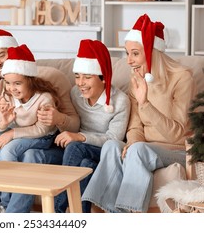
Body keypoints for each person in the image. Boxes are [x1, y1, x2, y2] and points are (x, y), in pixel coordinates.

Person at [0, 29, 81, 213]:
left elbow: (75, 124)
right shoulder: (0, 91)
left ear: (14, 50)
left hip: (45, 140)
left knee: (8, 155)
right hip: (11, 138)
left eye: (1, 55)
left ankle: (5, 210)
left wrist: (59, 118)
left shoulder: (51, 80)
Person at [82, 13, 195, 213]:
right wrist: (133, 141)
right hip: (144, 147)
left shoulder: (182, 78)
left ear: (152, 51)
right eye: (127, 53)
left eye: (135, 53)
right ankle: (100, 212)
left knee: (138, 150)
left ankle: (131, 215)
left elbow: (177, 134)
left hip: (175, 150)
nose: (129, 61)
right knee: (111, 146)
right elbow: (135, 125)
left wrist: (145, 103)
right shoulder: (136, 80)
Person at [53, 39, 130, 213]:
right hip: (83, 153)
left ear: (103, 78)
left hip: (106, 151)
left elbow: (113, 139)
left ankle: (56, 211)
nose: (80, 83)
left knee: (74, 148)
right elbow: (69, 122)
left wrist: (80, 137)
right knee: (87, 165)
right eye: (77, 76)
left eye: (87, 77)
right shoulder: (74, 93)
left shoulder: (120, 101)